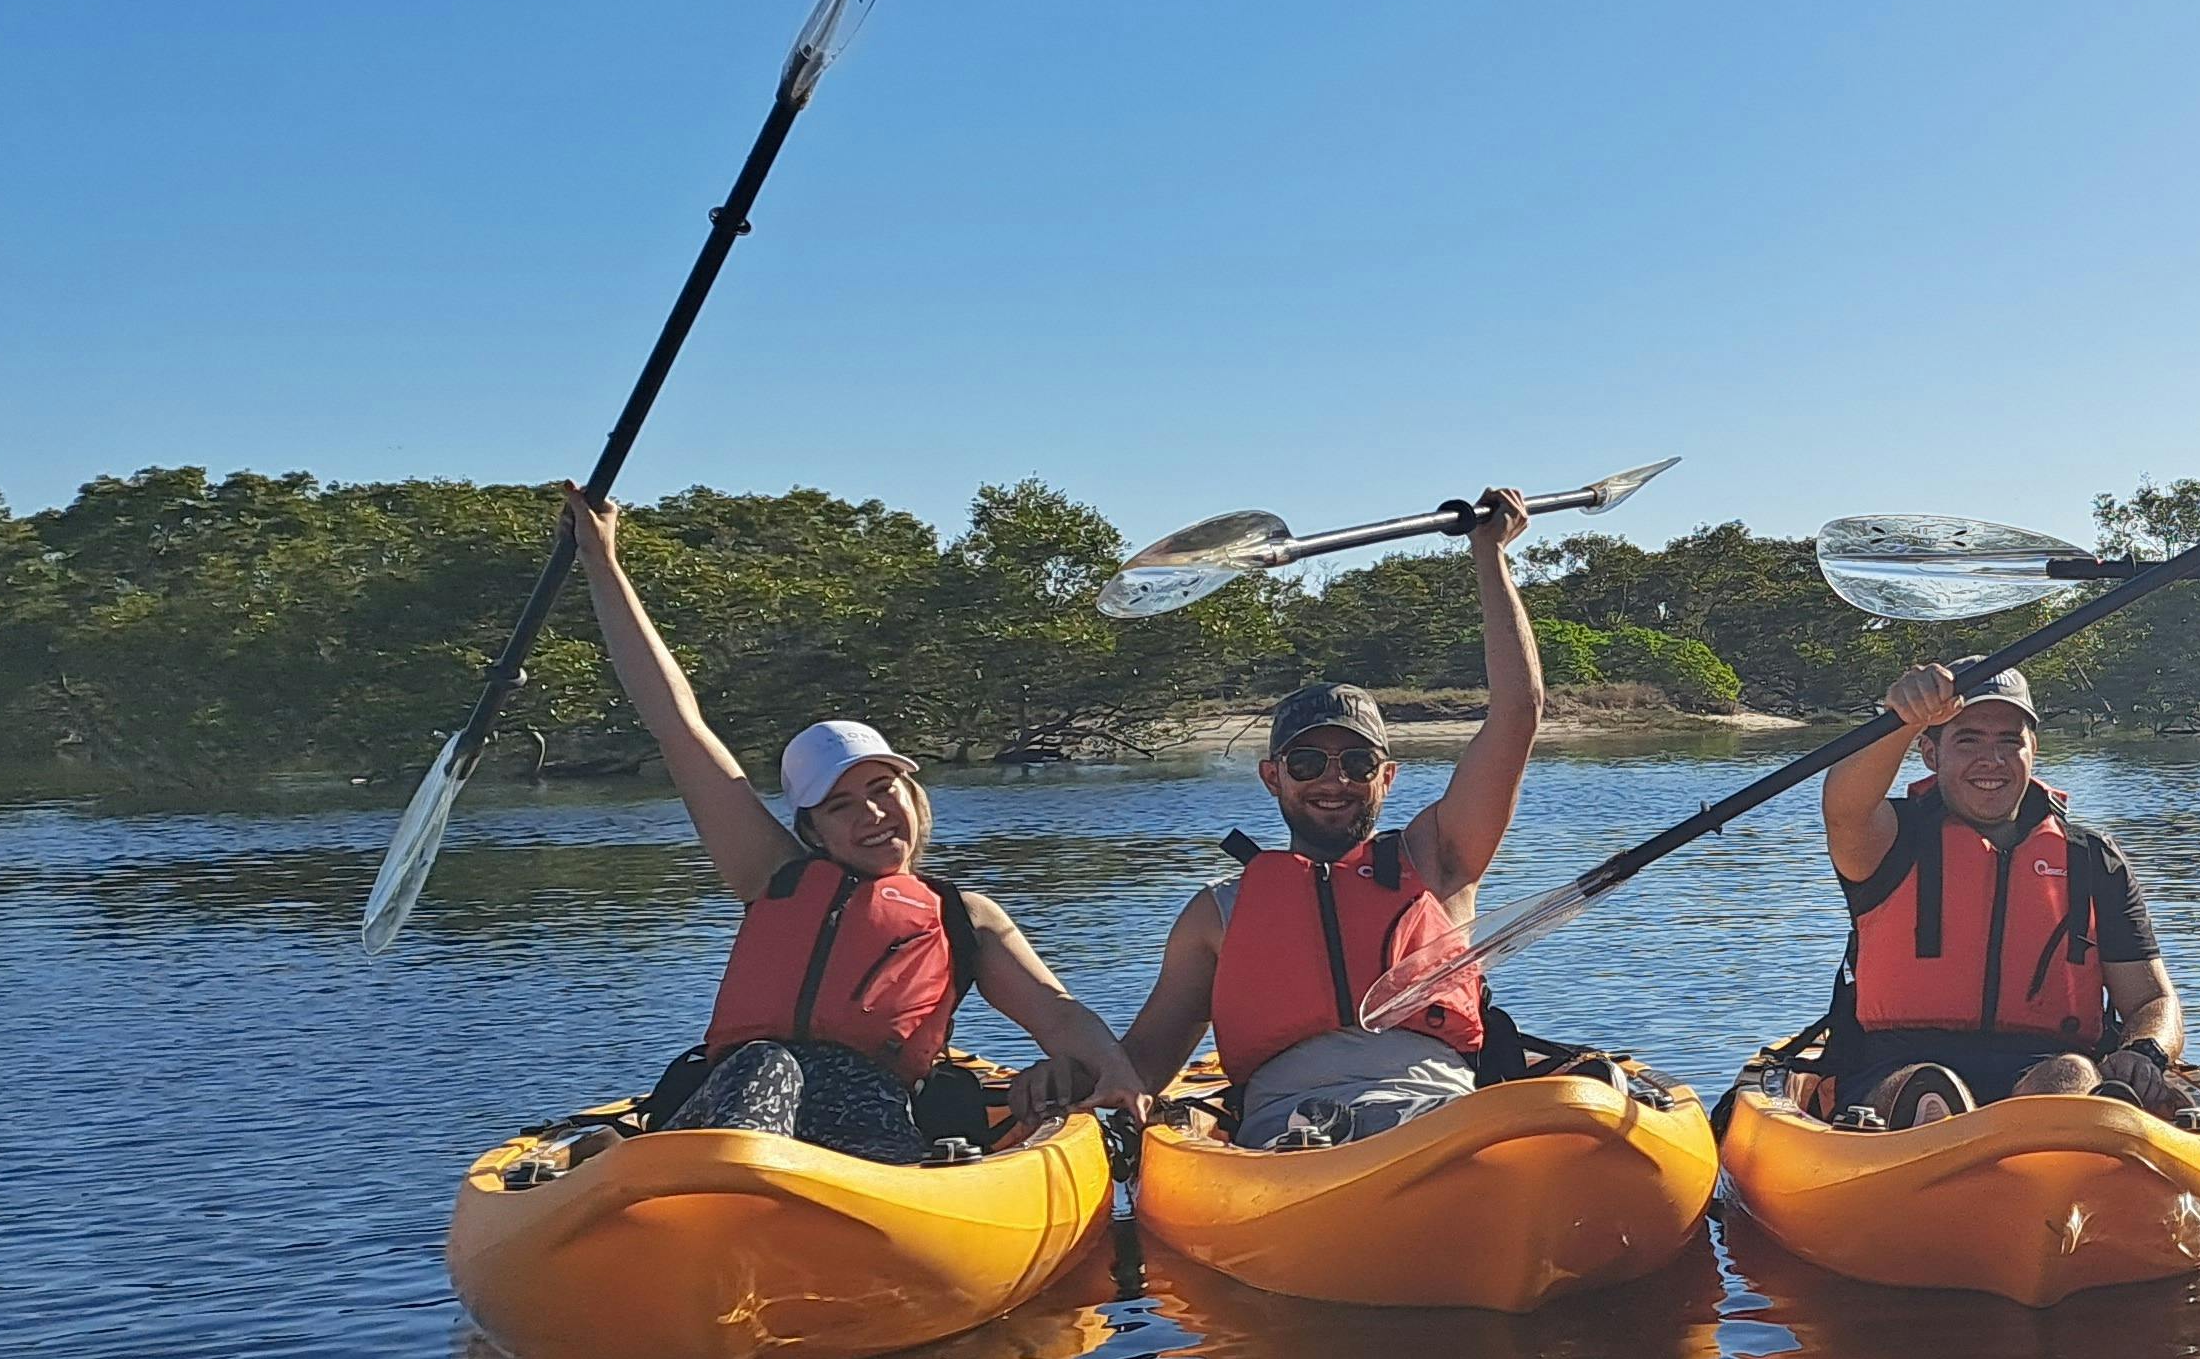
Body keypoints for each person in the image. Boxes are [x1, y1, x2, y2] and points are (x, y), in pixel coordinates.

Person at [567, 488, 1148, 1159]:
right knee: (770, 1066)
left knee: (879, 1108)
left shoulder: (966, 918)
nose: (872, 814)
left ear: (913, 793)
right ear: (813, 829)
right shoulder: (773, 873)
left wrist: (1113, 1071)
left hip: (866, 1113)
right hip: (740, 1106)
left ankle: (876, 1205)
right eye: (842, 805)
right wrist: (601, 560)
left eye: (882, 789)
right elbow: (676, 722)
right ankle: (670, 1177)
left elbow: (1059, 1013)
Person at [1120, 494, 1545, 1150]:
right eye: (1310, 760)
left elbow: (1518, 711)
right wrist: (1073, 1081)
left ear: (1387, 777)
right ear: (1273, 776)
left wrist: (1489, 557)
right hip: (1287, 1140)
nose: (1333, 780)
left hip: (1440, 1125)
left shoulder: (1440, 859)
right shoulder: (1215, 916)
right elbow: (1146, 1063)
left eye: (1356, 761)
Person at [1809, 659, 2200, 1130]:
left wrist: (2146, 1050)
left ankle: (2058, 1155)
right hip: (1897, 1067)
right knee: (1930, 1085)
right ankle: (1946, 1144)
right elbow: (1842, 806)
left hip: (2045, 1065)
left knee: (2074, 1072)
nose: (1992, 761)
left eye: (2009, 741)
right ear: (1930, 753)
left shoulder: (2091, 859)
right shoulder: (1887, 838)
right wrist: (1902, 717)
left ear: (2032, 750)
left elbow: (2152, 1001)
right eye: (1968, 740)